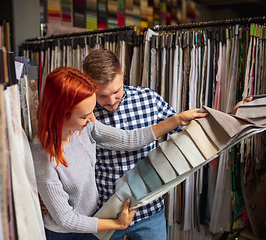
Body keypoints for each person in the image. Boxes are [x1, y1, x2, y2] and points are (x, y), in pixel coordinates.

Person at [82, 49, 253, 240]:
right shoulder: (83, 113)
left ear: (122, 72)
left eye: (116, 91)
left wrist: (231, 118)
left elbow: (188, 134)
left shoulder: (148, 99)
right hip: (105, 212)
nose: (111, 101)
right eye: (103, 96)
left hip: (149, 211)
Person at [31, 66, 207, 240]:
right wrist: (118, 224)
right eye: (85, 115)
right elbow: (66, 220)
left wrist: (177, 120)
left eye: (92, 111)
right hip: (66, 234)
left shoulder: (84, 128)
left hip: (94, 222)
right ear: (61, 114)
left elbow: (128, 140)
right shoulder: (43, 155)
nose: (92, 118)